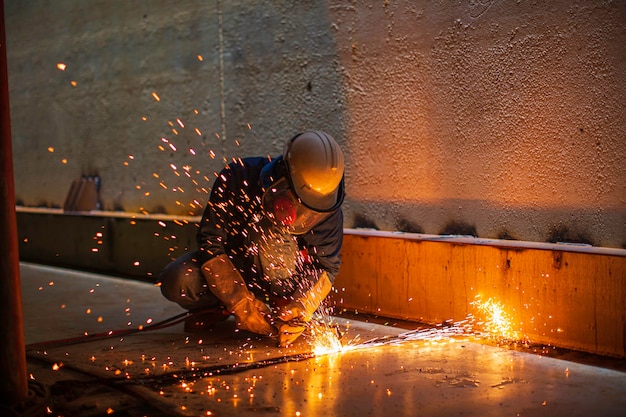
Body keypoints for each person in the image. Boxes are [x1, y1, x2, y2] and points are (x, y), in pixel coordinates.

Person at [158, 131, 345, 347]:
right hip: (233, 271)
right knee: (178, 279)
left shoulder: (328, 209)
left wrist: (300, 307)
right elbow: (210, 245)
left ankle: (283, 312)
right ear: (283, 175)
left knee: (271, 240)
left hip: (285, 281)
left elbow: (327, 268)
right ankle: (219, 307)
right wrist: (239, 302)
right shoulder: (239, 177)